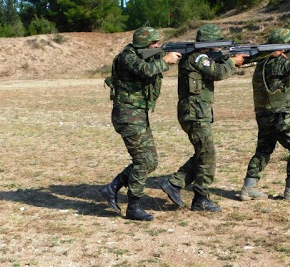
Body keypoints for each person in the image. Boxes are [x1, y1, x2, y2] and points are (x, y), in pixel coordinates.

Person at [160, 24, 245, 212]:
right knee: (207, 154)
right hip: (194, 112)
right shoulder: (198, 57)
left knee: (203, 153)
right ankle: (200, 198)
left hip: (196, 112)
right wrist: (232, 62)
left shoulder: (199, 56)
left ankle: (174, 184)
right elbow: (218, 72)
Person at [99, 26, 181, 221]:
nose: (157, 45)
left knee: (150, 161)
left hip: (137, 115)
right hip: (127, 115)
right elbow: (145, 70)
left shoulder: (145, 55)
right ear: (144, 44)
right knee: (143, 160)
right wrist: (165, 60)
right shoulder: (126, 57)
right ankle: (133, 206)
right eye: (154, 43)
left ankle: (112, 188)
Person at [239, 28, 290, 201]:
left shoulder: (262, 62)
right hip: (279, 115)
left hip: (264, 114)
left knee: (263, 150)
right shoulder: (277, 62)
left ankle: (248, 188)